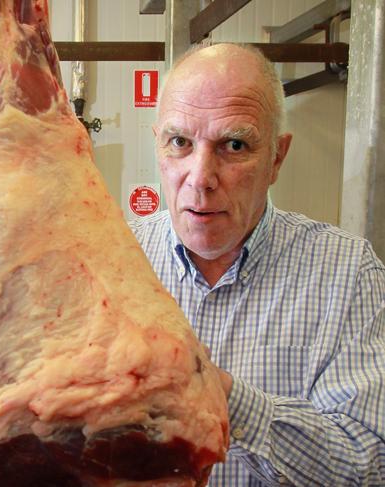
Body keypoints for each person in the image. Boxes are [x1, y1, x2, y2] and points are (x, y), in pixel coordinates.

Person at [130, 43, 385, 485]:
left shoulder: (347, 273)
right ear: (158, 145)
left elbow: (369, 462)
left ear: (277, 158)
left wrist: (227, 399)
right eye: (180, 143)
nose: (201, 178)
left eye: (234, 144)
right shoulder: (119, 259)